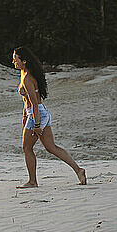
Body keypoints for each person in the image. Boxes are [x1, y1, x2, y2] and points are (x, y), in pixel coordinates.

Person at [12, 46, 87, 188]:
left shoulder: (27, 78)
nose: (13, 62)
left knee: (26, 148)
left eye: (15, 59)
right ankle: (79, 170)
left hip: (37, 114)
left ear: (24, 61)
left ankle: (32, 181)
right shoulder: (24, 73)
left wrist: (36, 125)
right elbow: (27, 100)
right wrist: (24, 115)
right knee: (51, 147)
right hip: (40, 112)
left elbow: (34, 103)